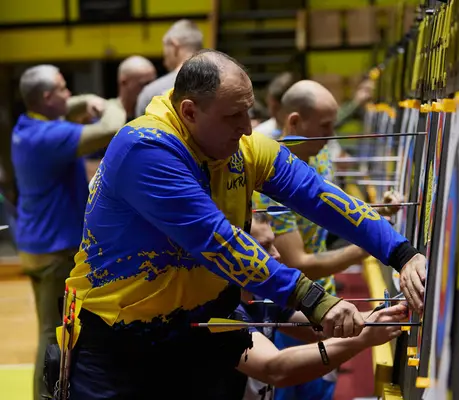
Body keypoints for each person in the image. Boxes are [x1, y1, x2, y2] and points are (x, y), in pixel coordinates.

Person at [65, 50, 426, 399]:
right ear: (189, 112)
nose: (247, 127)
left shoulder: (242, 148)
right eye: (233, 116)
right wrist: (317, 300)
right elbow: (219, 242)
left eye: (248, 111)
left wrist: (401, 252)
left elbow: (317, 195)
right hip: (121, 343)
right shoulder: (145, 149)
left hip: (203, 325)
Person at [251, 80, 397, 400]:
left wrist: (375, 216)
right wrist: (368, 247)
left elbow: (332, 213)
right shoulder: (264, 175)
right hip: (289, 310)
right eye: (325, 126)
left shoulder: (317, 153)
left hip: (324, 304)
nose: (332, 134)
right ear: (294, 122)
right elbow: (297, 264)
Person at [10, 64, 126, 399]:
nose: (69, 94)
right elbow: (110, 128)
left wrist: (83, 99)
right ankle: (45, 395)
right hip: (55, 249)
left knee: (51, 326)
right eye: (63, 89)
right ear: (46, 97)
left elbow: (70, 109)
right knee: (52, 332)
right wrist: (108, 102)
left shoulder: (28, 127)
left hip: (35, 245)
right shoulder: (51, 137)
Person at [227, 212, 410, 400]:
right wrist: (362, 338)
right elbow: (274, 369)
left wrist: (384, 314)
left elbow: (320, 328)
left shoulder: (260, 294)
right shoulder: (220, 309)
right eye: (265, 247)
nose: (277, 254)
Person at [85, 56, 157, 180]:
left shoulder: (155, 116)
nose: (151, 89)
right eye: (145, 84)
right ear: (124, 83)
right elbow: (89, 168)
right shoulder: (104, 119)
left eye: (153, 83)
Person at [134, 19, 204, 117]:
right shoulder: (220, 84)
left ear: (174, 46)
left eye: (165, 49)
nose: (164, 59)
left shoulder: (152, 93)